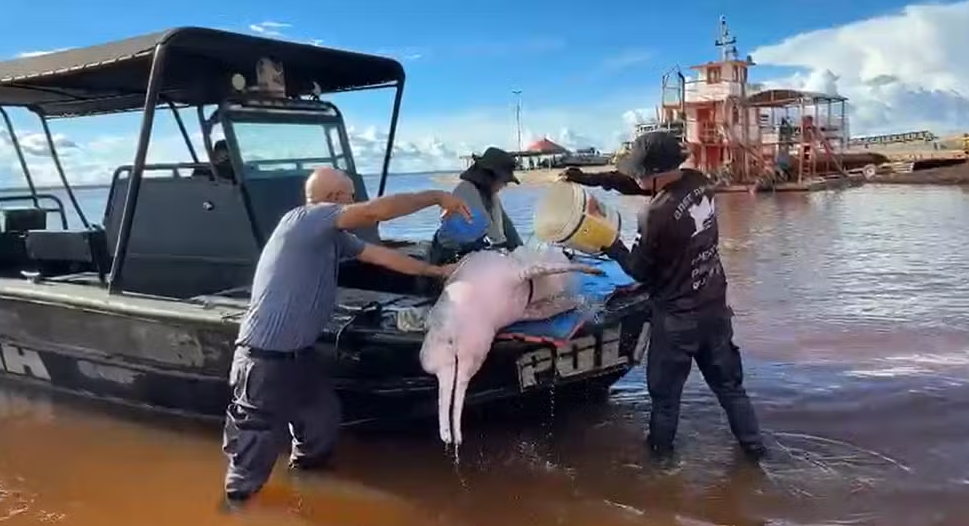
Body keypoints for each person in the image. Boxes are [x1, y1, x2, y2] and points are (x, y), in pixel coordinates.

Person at [222, 167, 471, 503]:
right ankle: (236, 508)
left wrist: (435, 271)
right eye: (351, 195)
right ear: (335, 199)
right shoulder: (305, 219)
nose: (356, 201)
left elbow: (381, 256)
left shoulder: (333, 237)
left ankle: (305, 492)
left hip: (301, 357)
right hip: (263, 360)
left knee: (321, 420)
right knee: (253, 449)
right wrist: (436, 197)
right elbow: (374, 211)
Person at [594, 131, 765, 461]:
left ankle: (660, 468)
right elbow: (641, 185)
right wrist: (595, 179)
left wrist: (611, 244)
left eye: (639, 171)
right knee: (731, 389)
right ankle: (756, 453)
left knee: (665, 399)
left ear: (654, 173)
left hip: (676, 321)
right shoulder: (698, 180)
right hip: (715, 308)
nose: (636, 177)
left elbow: (639, 271)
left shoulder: (654, 214)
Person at [428, 147, 523, 265]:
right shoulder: (467, 191)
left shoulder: (490, 195)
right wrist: (508, 256)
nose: (504, 185)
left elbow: (507, 226)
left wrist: (520, 250)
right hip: (449, 252)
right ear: (490, 177)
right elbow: (488, 233)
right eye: (503, 181)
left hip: (475, 248)